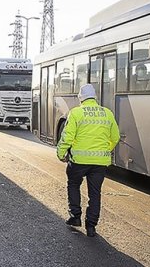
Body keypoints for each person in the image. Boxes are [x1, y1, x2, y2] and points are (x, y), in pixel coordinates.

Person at [56, 84, 120, 237]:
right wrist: (104, 150)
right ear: (95, 97)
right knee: (95, 193)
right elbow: (115, 137)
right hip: (99, 164)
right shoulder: (107, 113)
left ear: (80, 98)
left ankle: (75, 216)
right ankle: (91, 227)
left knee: (73, 184)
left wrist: (61, 153)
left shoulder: (76, 113)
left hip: (79, 161)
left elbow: (67, 137)